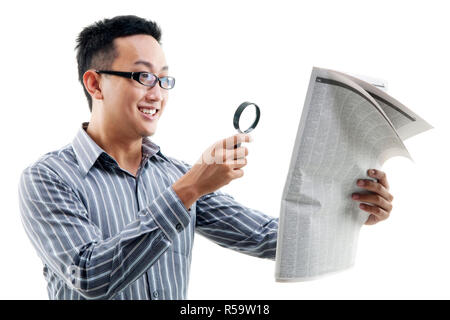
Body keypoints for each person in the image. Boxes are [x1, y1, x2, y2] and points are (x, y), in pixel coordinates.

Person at [18, 15, 394, 300]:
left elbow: (267, 237)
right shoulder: (48, 178)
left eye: (164, 80)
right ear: (95, 83)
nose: (157, 94)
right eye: (142, 77)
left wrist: (350, 213)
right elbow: (89, 276)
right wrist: (188, 189)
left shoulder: (178, 175)